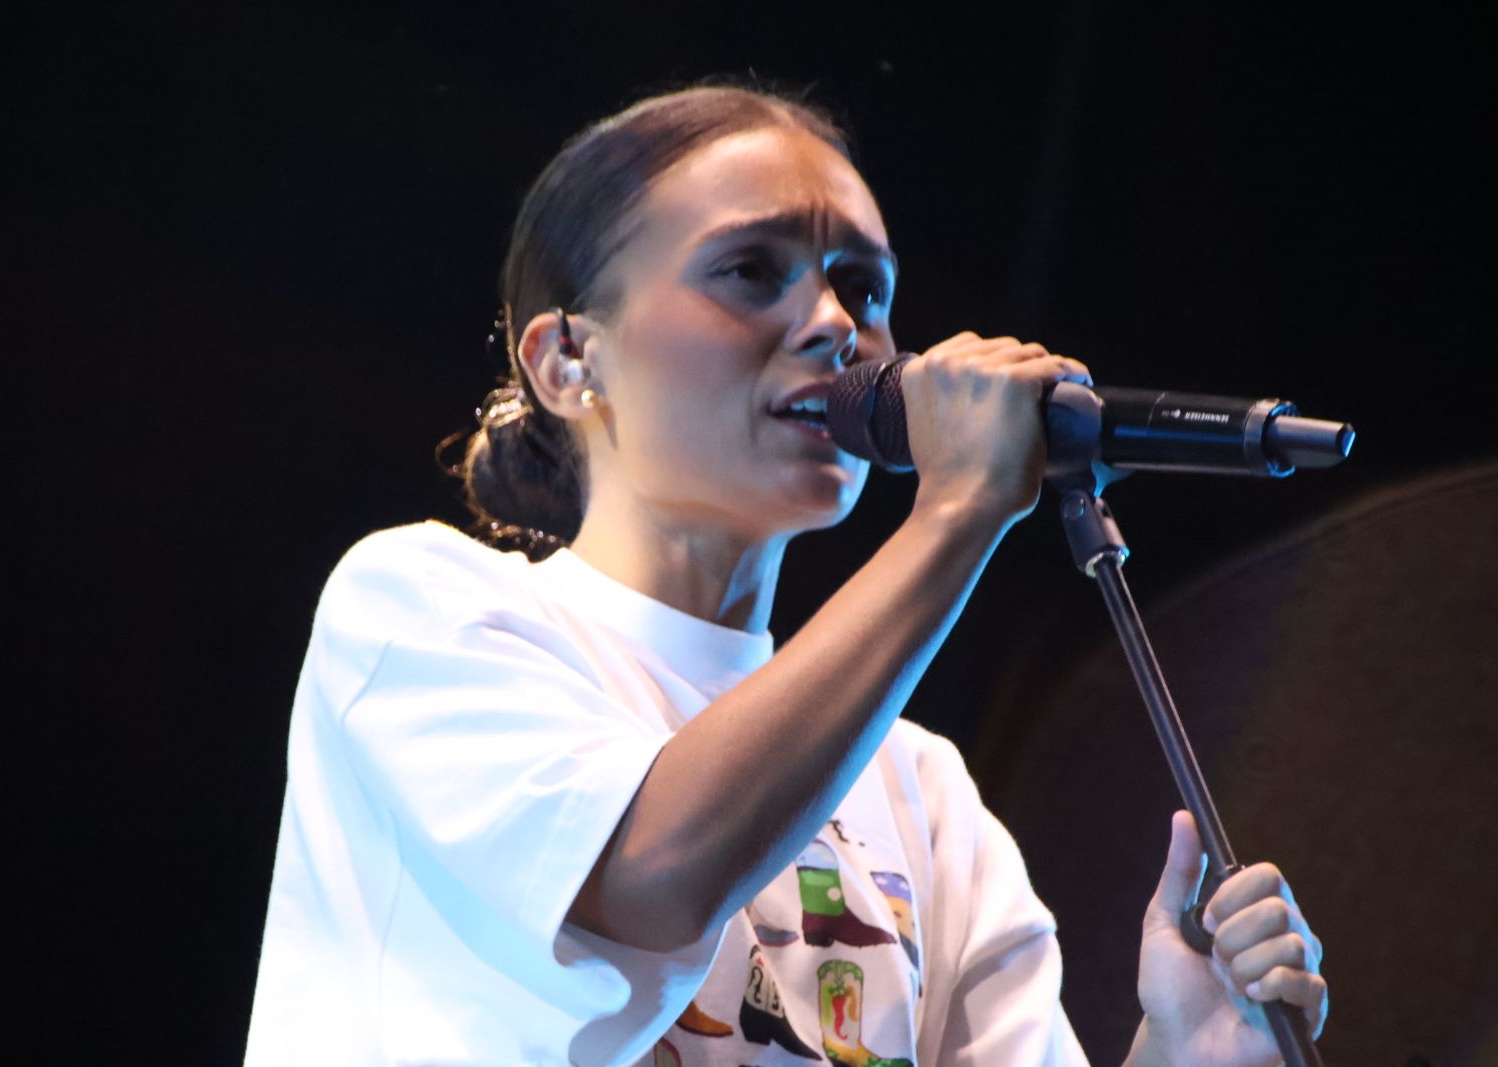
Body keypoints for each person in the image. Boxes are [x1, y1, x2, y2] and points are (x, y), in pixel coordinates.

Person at [245, 84, 1327, 1067]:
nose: (835, 326)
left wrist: (1183, 1055)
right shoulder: (420, 612)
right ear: (568, 359)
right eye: (751, 270)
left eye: (863, 287)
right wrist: (956, 512)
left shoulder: (919, 789)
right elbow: (653, 874)